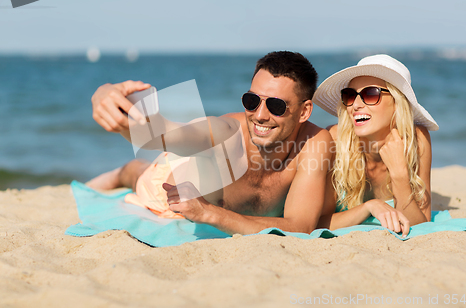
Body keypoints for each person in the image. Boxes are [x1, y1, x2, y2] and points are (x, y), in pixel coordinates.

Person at [88, 51, 333, 235]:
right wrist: (107, 96)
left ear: (304, 112)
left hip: (199, 170)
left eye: (276, 106)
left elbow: (299, 226)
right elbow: (160, 134)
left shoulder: (315, 142)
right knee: (138, 173)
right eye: (251, 100)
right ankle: (122, 173)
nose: (259, 115)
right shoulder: (223, 132)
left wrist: (209, 213)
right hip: (166, 187)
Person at [313, 54, 439, 237]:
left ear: (397, 103)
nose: (355, 105)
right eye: (349, 95)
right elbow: (316, 222)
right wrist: (369, 207)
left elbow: (421, 226)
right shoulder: (334, 140)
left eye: (370, 94)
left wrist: (400, 176)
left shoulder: (416, 140)